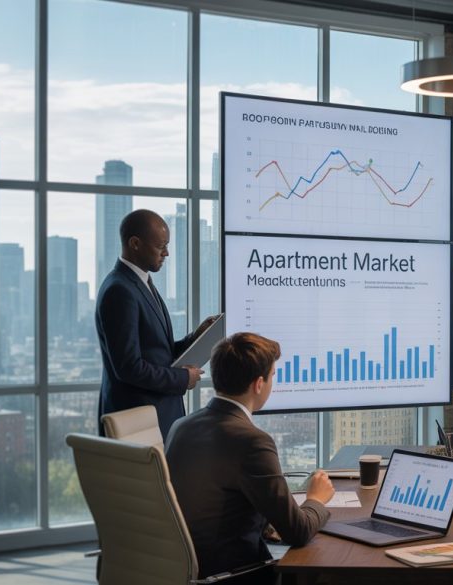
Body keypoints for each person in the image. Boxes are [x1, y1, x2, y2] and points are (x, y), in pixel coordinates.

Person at [166, 332, 335, 585]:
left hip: (183, 568)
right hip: (235, 574)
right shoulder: (252, 441)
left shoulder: (181, 425)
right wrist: (316, 500)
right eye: (272, 377)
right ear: (258, 384)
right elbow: (298, 532)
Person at [95, 209, 218, 439]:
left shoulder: (140, 282)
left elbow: (156, 352)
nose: (167, 253)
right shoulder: (119, 290)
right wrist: (182, 379)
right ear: (135, 244)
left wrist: (197, 337)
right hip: (136, 422)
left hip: (154, 418)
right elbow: (129, 368)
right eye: (161, 246)